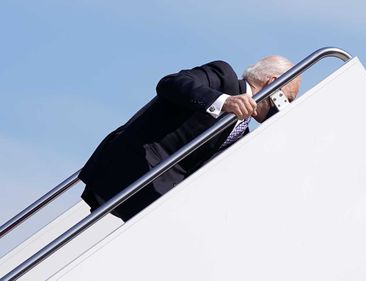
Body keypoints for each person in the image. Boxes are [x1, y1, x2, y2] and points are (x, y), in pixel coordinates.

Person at [79, 56, 301, 221]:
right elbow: (170, 84)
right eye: (287, 98)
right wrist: (223, 102)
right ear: (273, 82)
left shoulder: (243, 134)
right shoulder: (223, 78)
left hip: (161, 192)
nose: (285, 107)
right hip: (135, 167)